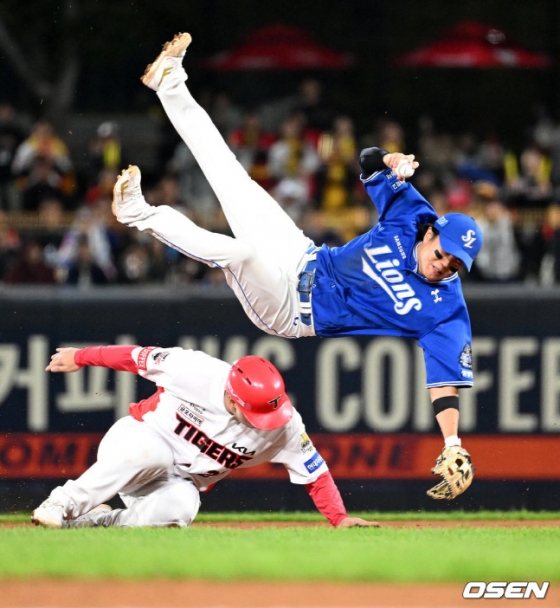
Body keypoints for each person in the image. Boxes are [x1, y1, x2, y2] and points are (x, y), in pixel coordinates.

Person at [112, 33, 483, 488]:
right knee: (230, 174)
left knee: (239, 254)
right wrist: (389, 157)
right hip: (301, 253)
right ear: (431, 232)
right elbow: (367, 161)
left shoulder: (447, 311)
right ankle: (170, 82)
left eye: (456, 265)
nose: (446, 265)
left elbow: (443, 383)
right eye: (444, 253)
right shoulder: (414, 215)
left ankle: (139, 214)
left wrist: (451, 442)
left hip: (290, 308)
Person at [31, 345, 379, 529]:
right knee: (154, 453)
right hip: (136, 441)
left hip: (177, 480)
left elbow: (315, 473)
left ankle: (97, 522)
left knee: (180, 510)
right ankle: (62, 503)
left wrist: (340, 518)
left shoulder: (284, 425)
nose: (266, 421)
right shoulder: (195, 370)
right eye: (256, 411)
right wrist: (79, 356)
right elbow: (134, 357)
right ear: (231, 396)